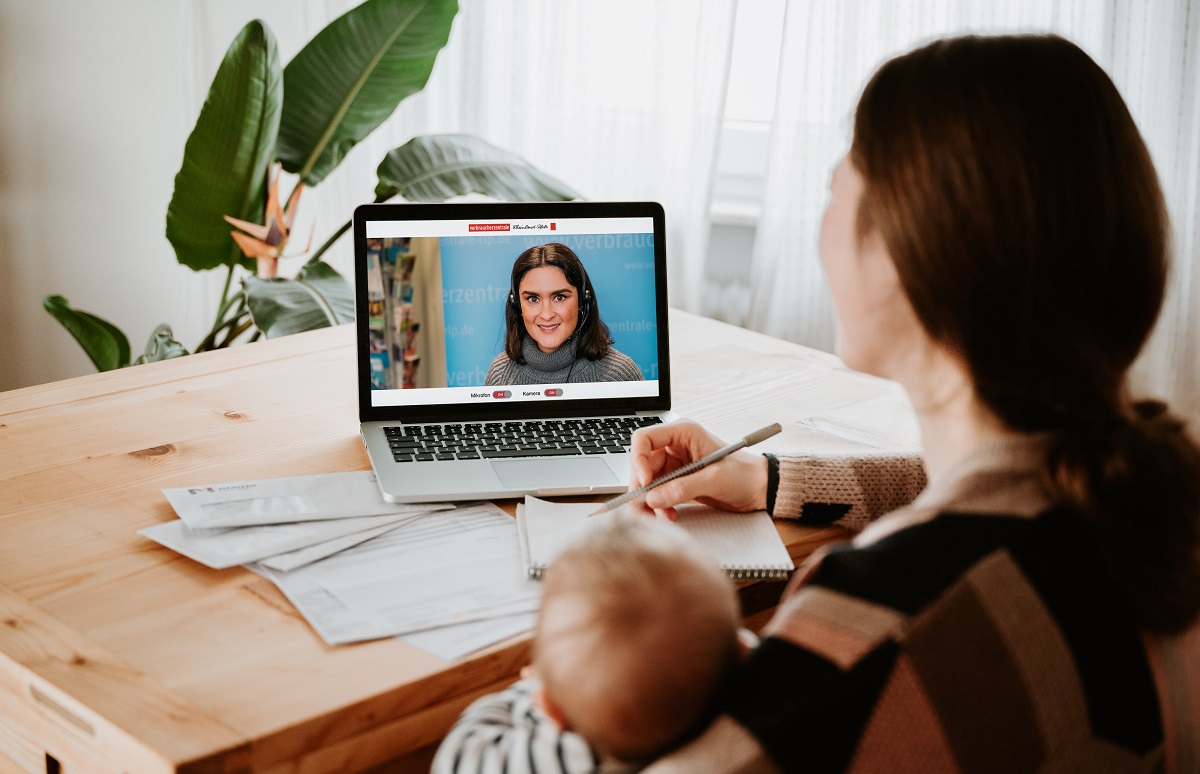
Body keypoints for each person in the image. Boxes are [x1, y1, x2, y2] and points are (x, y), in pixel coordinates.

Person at [624, 34, 1200, 772]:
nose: (824, 217)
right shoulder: (1151, 498)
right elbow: (980, 492)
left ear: (910, 256)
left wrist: (544, 707)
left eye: (839, 183)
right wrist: (769, 481)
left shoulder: (881, 623)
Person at [431, 517, 746, 773]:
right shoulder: (754, 711)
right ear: (741, 654)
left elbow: (459, 751)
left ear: (554, 712)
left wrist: (535, 691)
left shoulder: (545, 756)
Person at [485, 243, 644, 385]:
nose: (546, 315)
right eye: (533, 299)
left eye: (559, 297)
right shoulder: (500, 374)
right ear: (517, 305)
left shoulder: (619, 374)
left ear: (582, 301)